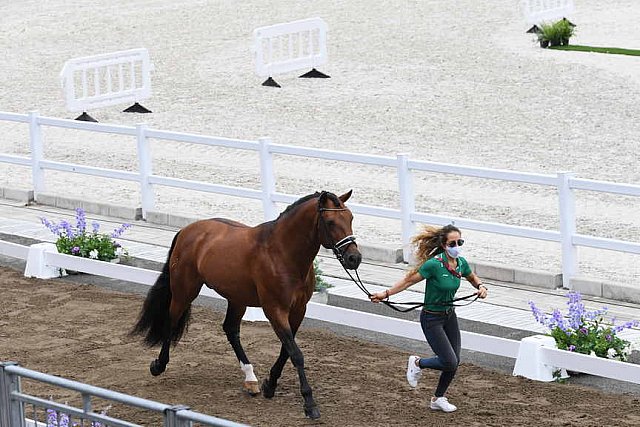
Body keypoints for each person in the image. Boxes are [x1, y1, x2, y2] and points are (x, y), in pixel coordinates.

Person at [369, 224, 488, 413]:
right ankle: (417, 363)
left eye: (460, 242)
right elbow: (409, 280)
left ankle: (437, 398)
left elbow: (472, 277)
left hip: (449, 316)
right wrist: (385, 293)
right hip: (432, 319)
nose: (457, 245)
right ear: (443, 244)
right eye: (453, 243)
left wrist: (481, 287)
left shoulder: (461, 263)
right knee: (448, 361)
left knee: (454, 362)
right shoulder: (434, 264)